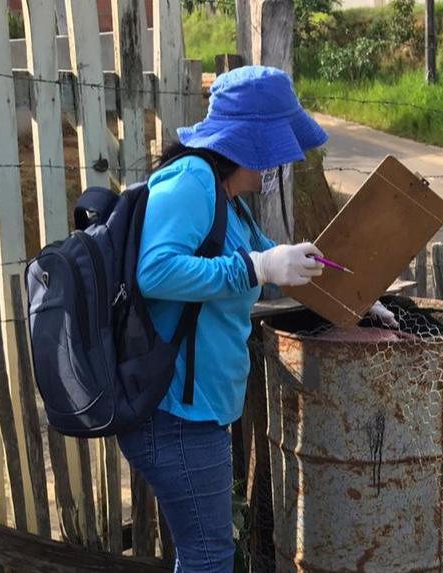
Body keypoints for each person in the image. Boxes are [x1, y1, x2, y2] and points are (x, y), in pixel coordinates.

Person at [117, 65, 396, 573]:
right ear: (248, 142)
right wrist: (255, 266)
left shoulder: (229, 201)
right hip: (174, 415)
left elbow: (280, 268)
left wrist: (353, 296)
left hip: (195, 412)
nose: (277, 164)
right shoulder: (191, 182)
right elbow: (154, 271)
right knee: (209, 559)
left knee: (203, 555)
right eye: (274, 146)